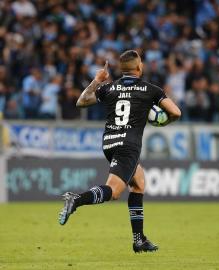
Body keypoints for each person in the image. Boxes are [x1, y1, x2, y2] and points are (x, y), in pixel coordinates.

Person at [58, 50, 181, 253]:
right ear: (139, 67)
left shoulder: (110, 88)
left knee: (139, 183)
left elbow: (81, 101)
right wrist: (165, 121)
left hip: (109, 143)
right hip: (128, 146)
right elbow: (176, 111)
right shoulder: (151, 90)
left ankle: (139, 239)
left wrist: (96, 80)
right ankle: (76, 200)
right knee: (114, 191)